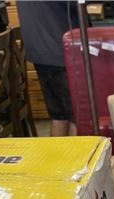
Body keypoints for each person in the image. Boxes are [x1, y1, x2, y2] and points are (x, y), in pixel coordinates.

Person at [16, 1, 79, 136]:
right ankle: (79, 151)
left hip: (41, 50)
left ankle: (58, 151)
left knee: (59, 116)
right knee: (77, 117)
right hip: (61, 49)